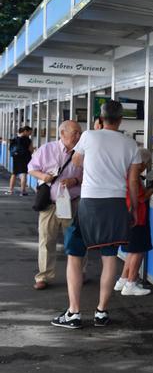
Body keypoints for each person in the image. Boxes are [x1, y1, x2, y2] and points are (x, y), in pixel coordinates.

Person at [52, 101, 140, 329]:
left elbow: (77, 161)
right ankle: (101, 312)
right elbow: (132, 181)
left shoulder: (90, 135)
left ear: (100, 118)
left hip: (90, 202)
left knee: (75, 254)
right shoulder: (131, 144)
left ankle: (74, 312)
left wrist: (93, 136)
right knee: (109, 257)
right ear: (121, 120)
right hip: (116, 203)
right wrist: (132, 206)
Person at [27, 121, 84, 290]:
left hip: (72, 203)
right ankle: (43, 276)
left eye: (80, 133)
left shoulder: (81, 154)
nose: (78, 136)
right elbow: (31, 168)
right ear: (63, 133)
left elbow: (88, 175)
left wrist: (75, 180)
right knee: (46, 240)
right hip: (50, 205)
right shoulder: (47, 149)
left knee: (76, 240)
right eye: (75, 132)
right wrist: (43, 177)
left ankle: (79, 272)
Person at [114, 148, 153, 296]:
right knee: (138, 250)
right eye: (146, 163)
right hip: (137, 217)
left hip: (128, 216)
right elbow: (142, 197)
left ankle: (123, 279)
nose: (146, 166)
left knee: (131, 251)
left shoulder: (126, 173)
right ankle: (131, 283)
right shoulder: (133, 177)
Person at [8, 126, 33, 196]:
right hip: (25, 158)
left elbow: (10, 149)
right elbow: (31, 150)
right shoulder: (27, 140)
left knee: (14, 173)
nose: (30, 134)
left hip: (16, 158)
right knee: (24, 174)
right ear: (25, 131)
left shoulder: (14, 139)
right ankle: (23, 191)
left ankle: (11, 190)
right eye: (29, 132)